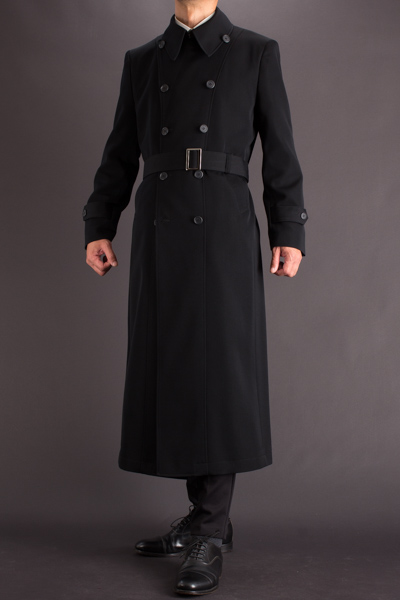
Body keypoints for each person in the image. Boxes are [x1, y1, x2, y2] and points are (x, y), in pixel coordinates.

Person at [82, 0, 308, 595]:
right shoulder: (141, 61)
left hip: (223, 227)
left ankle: (210, 529)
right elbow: (119, 152)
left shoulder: (255, 52)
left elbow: (280, 149)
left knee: (218, 374)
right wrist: (99, 223)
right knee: (177, 370)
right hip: (160, 228)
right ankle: (204, 519)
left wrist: (289, 229)